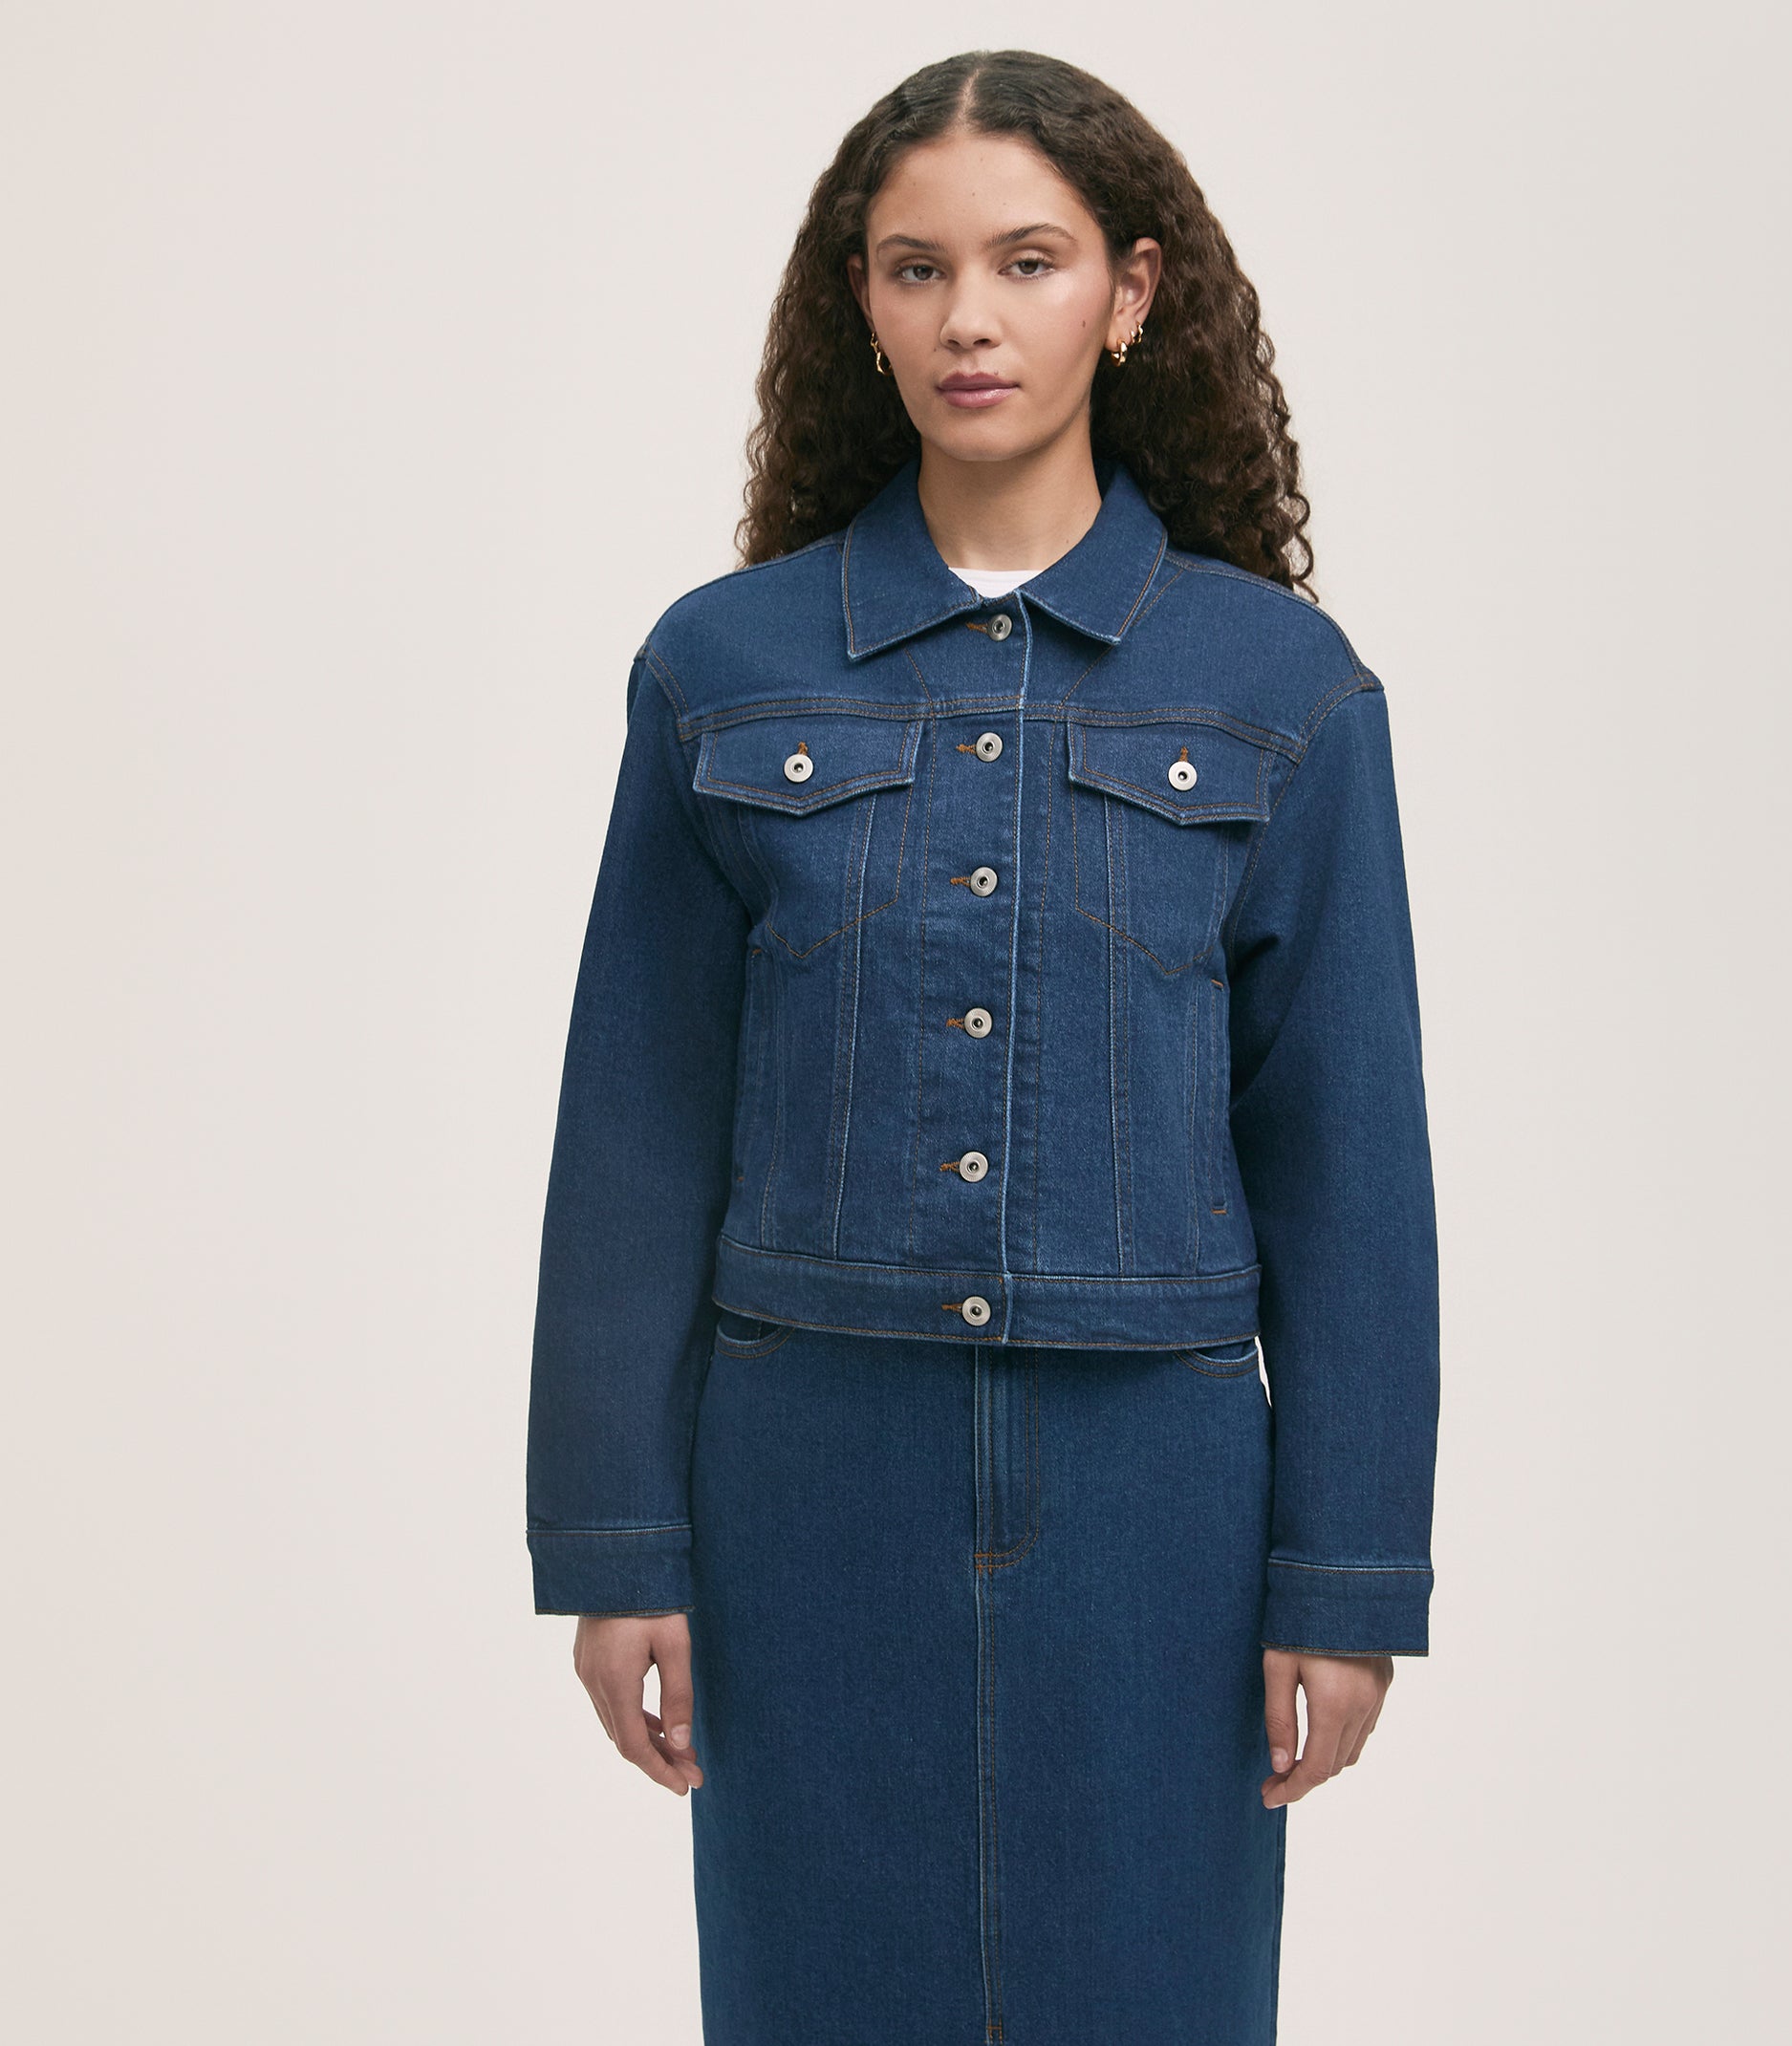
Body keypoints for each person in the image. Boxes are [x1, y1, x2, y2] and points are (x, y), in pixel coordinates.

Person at [525, 47, 1439, 2045]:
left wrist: (1346, 1580)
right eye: (915, 267)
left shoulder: (1280, 685)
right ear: (860, 304)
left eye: (1026, 262)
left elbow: (1346, 1157)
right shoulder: (721, 665)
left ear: (1127, 292)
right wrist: (615, 1541)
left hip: (1155, 1495)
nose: (968, 318)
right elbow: (640, 1126)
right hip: (804, 1477)